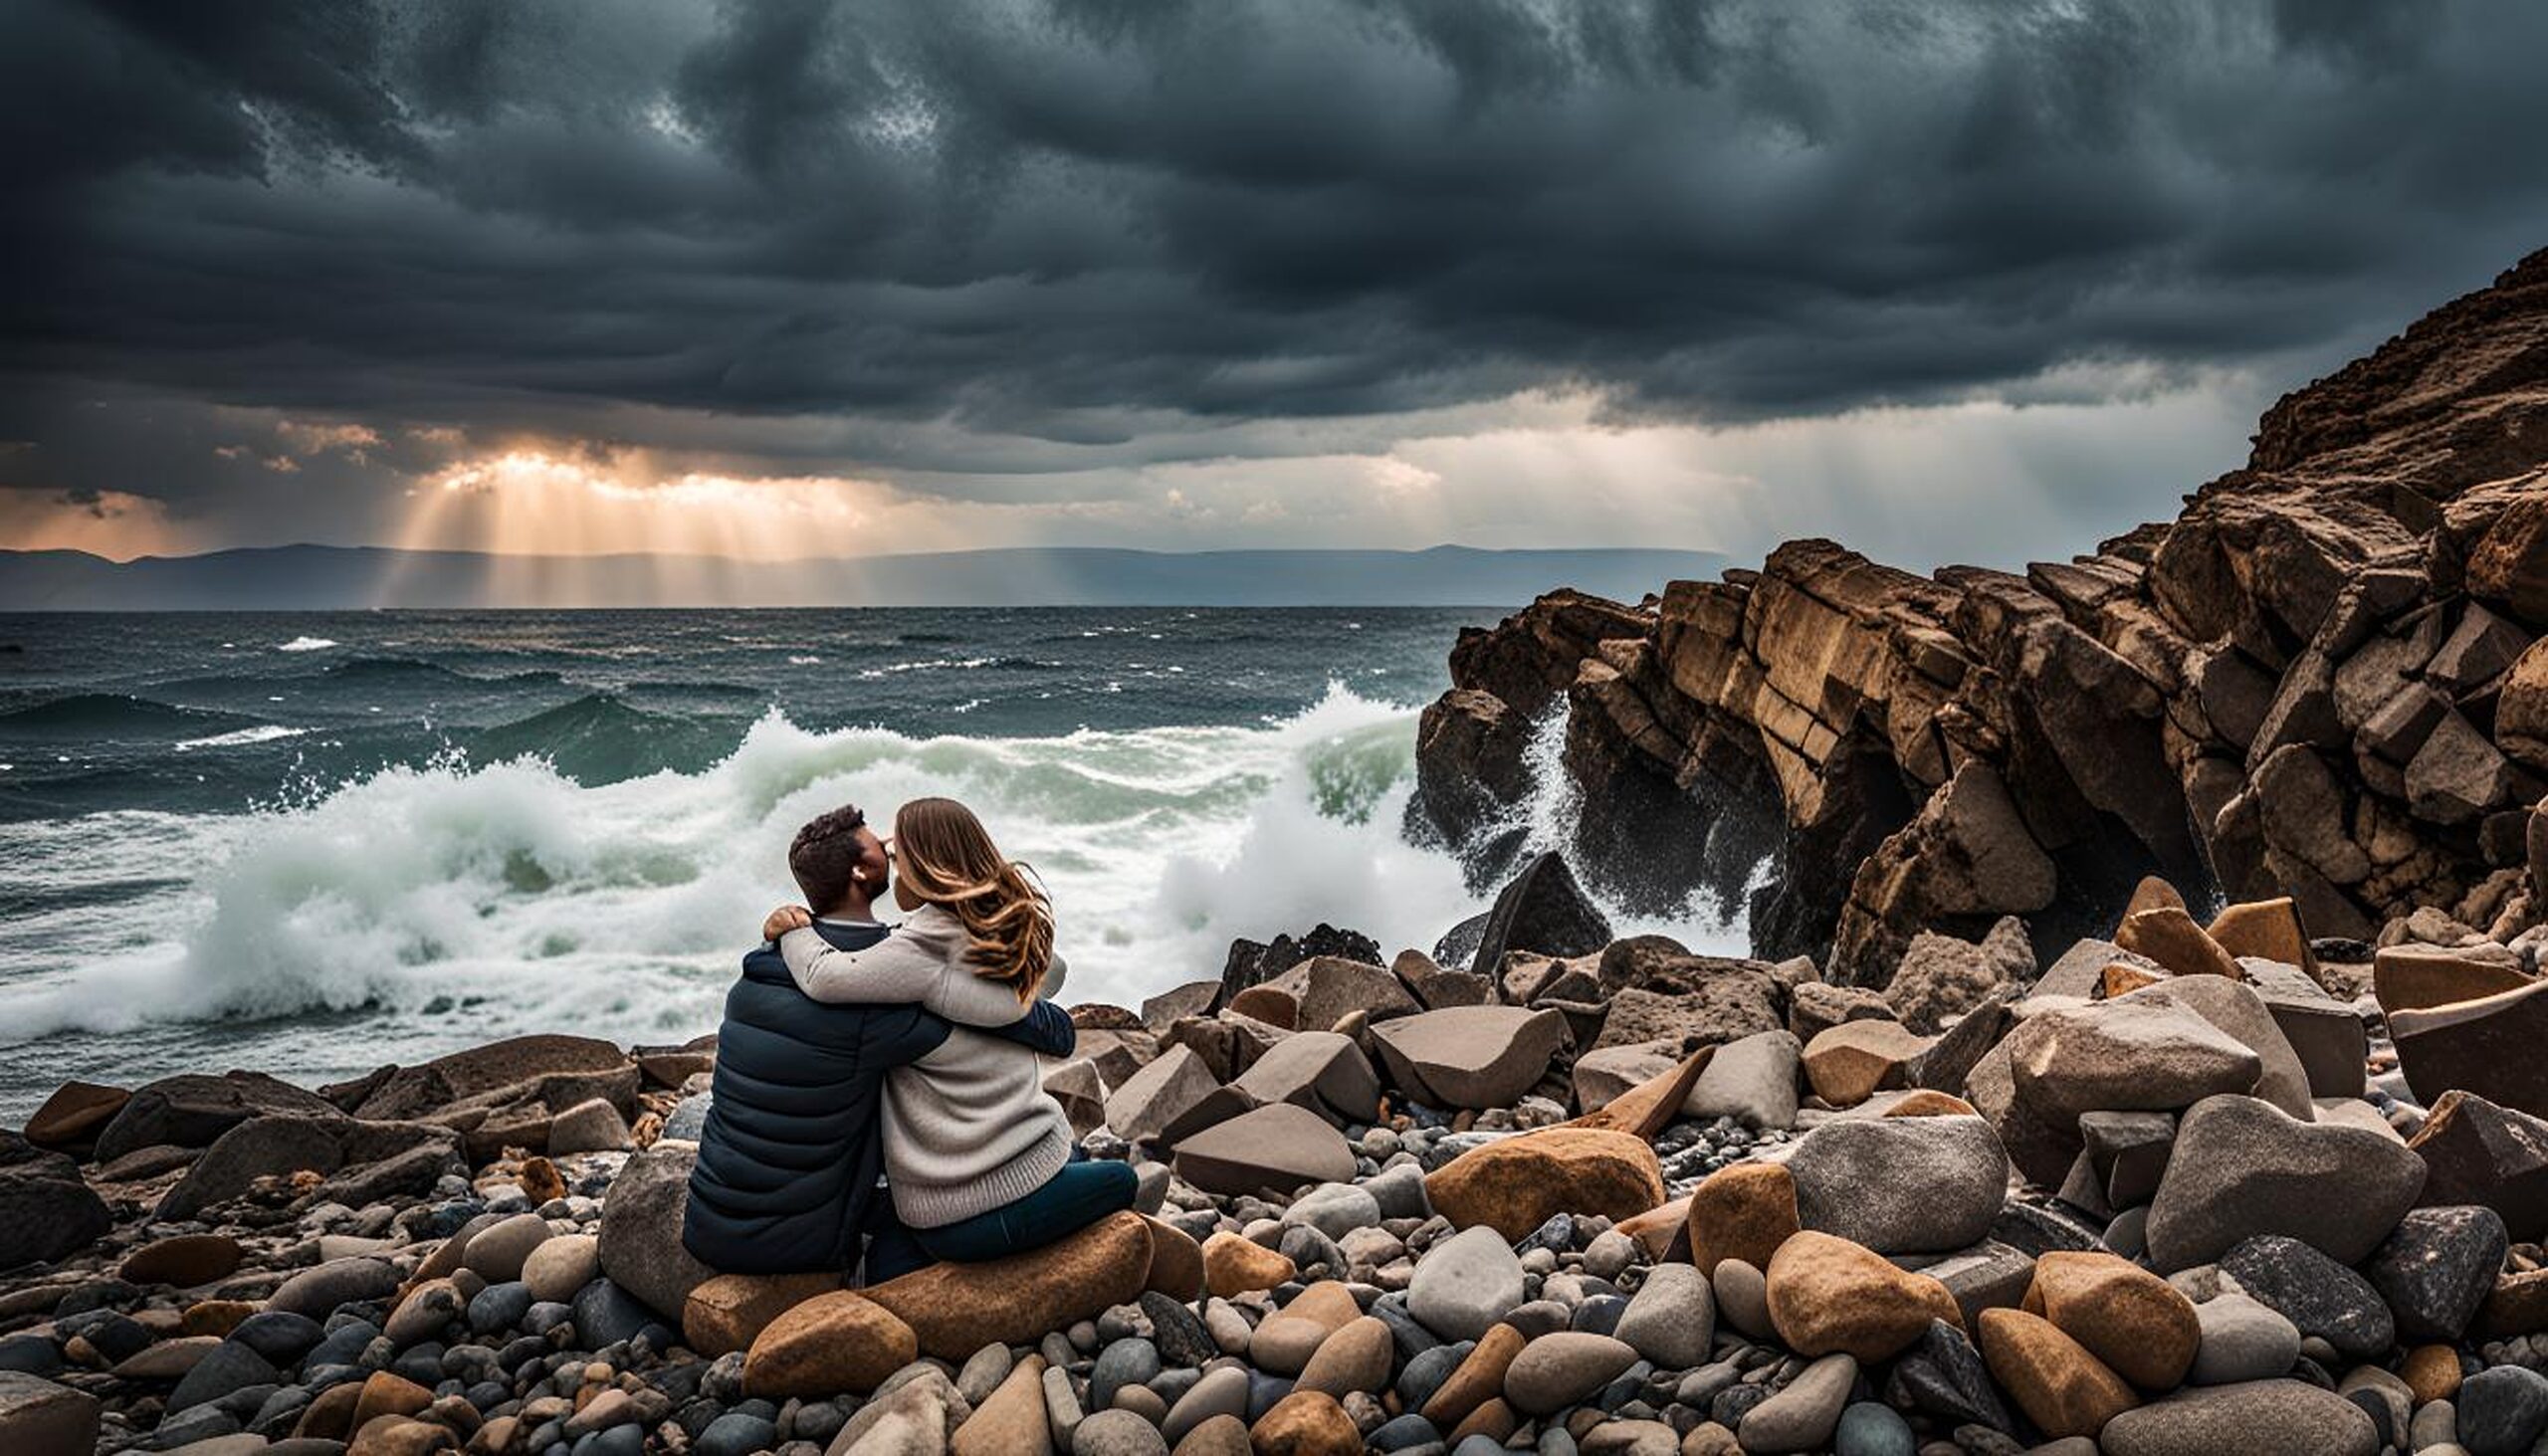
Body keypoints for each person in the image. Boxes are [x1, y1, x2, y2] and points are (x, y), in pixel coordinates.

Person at [682, 802, 1076, 1283]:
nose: (892, 853)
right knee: (1074, 1171)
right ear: (862, 870)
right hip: (796, 1238)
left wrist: (787, 930)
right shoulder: (879, 998)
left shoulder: (757, 971)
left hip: (711, 1212)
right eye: (883, 849)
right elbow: (1020, 1023)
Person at [758, 796, 1135, 1270]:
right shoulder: (994, 930)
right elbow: (1051, 976)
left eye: (900, 853)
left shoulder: (922, 943)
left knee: (1080, 1157)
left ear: (928, 864)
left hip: (949, 1200)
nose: (892, 858)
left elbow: (824, 974)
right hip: (970, 1208)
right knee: (1122, 1180)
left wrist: (792, 928)